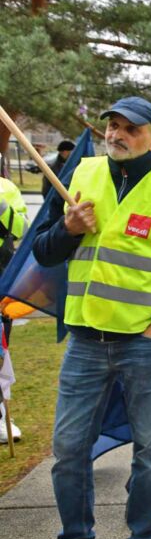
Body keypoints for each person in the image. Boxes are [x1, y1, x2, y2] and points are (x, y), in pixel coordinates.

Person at [34, 96, 151, 539]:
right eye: (112, 126)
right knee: (69, 449)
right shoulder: (81, 175)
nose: (116, 134)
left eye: (129, 128)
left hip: (142, 344)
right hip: (84, 342)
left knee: (150, 451)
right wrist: (68, 229)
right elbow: (43, 251)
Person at [0, 172, 30, 445]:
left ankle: (1, 416)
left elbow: (21, 229)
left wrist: (3, 210)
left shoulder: (7, 188)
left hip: (1, 276)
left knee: (0, 349)